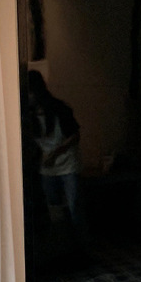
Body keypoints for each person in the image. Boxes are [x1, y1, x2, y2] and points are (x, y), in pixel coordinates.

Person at [28, 70, 87, 247]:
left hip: (67, 164)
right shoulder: (29, 114)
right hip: (47, 167)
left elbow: (75, 136)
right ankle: (62, 245)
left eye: (30, 92)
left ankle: (80, 246)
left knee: (74, 207)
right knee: (54, 209)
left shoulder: (59, 108)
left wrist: (54, 153)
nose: (29, 97)